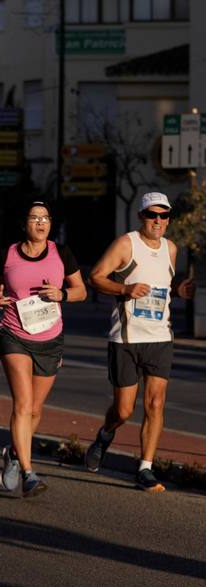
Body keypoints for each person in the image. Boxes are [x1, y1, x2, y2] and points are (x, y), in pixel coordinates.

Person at [83, 192, 195, 492]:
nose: (157, 221)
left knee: (156, 403)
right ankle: (105, 436)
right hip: (127, 339)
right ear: (141, 217)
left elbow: (163, 286)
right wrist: (124, 288)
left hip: (160, 337)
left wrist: (178, 290)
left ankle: (145, 468)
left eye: (163, 215)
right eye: (151, 215)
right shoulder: (126, 244)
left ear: (168, 218)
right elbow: (95, 277)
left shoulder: (171, 249)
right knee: (123, 411)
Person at [0, 201, 86, 497]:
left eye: (45, 219)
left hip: (50, 338)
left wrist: (62, 294)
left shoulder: (62, 253)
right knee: (23, 404)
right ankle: (29, 474)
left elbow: (81, 291)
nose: (40, 223)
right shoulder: (9, 253)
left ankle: (15, 455)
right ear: (24, 224)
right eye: (34, 218)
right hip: (13, 333)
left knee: (36, 409)